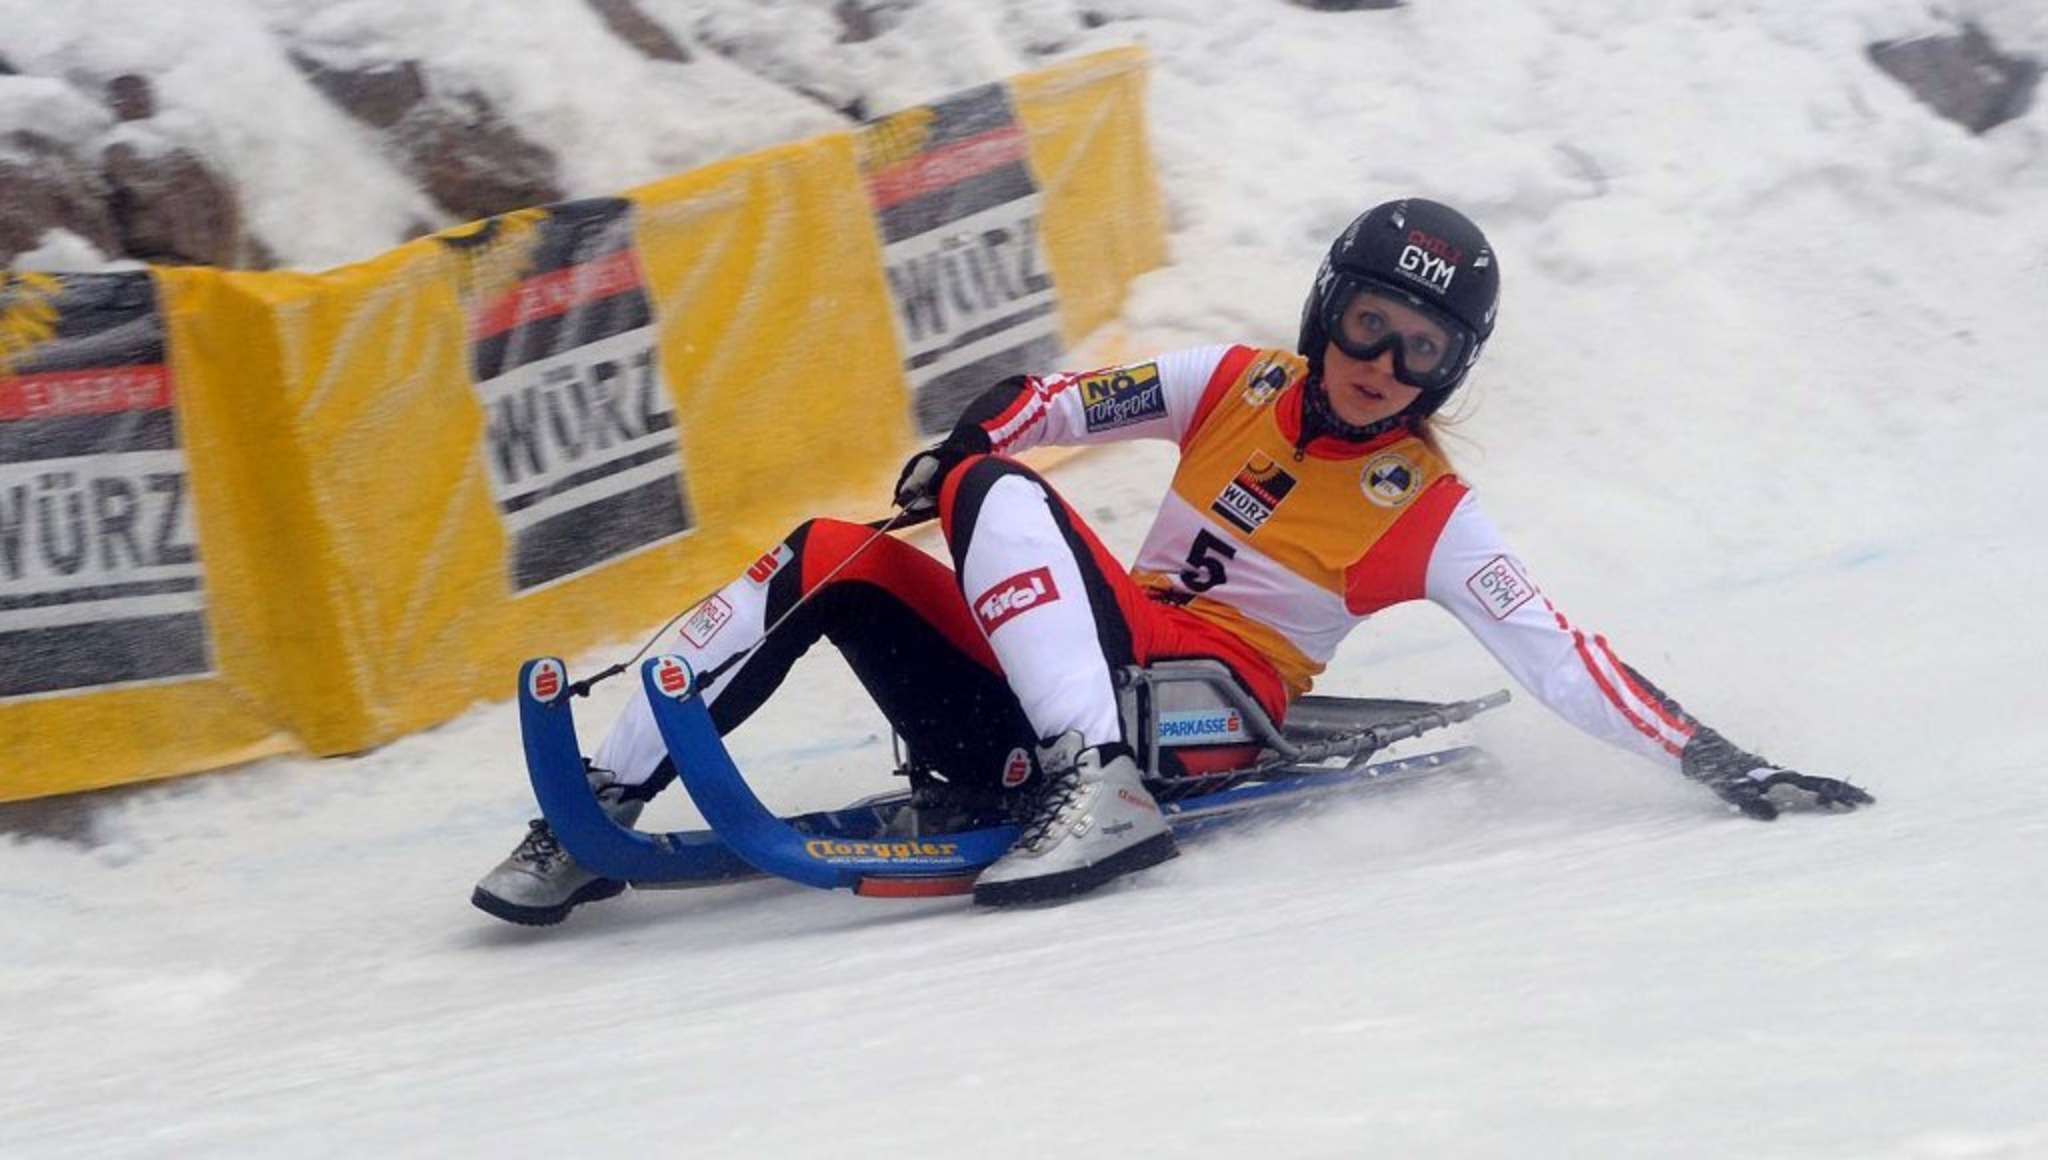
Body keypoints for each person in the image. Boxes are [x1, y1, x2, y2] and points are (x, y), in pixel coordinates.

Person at [473, 196, 1872, 925]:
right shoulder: (1239, 383)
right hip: (1073, 669)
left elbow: (1564, 658)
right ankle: (595, 813)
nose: (1384, 367)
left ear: (1450, 372)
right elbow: (1066, 403)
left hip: (1198, 716)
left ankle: (1104, 793)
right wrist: (972, 435)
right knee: (832, 551)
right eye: (1371, 326)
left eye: (1422, 352)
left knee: (997, 497)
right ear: (1329, 308)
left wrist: (1722, 762)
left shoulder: (1429, 510)